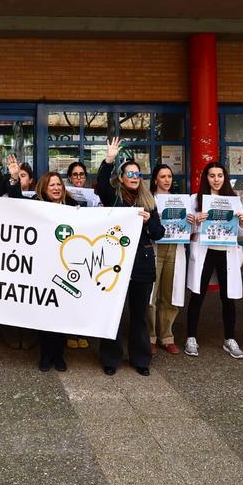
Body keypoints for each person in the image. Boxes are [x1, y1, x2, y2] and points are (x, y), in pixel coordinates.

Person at [96, 139, 165, 376]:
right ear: (122, 177)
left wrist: (148, 222)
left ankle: (141, 359)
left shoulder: (149, 202)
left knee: (139, 315)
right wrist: (109, 159)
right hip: (115, 261)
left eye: (137, 173)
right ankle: (110, 358)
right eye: (129, 173)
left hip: (142, 264)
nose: (134, 177)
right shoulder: (113, 197)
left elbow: (159, 233)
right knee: (112, 312)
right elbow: (101, 185)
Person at [6, 165, 79, 372]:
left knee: (62, 313)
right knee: (46, 312)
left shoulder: (74, 206)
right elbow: (14, 203)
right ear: (44, 188)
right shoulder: (36, 205)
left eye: (58, 184)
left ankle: (59, 354)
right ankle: (46, 354)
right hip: (42, 267)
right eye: (51, 185)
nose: (56, 188)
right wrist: (13, 178)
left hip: (65, 268)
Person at [184, 161, 243, 359]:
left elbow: (241, 234)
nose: (216, 179)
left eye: (220, 175)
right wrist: (195, 222)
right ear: (206, 178)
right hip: (205, 250)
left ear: (225, 178)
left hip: (226, 251)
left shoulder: (233, 199)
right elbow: (189, 231)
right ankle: (191, 337)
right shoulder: (196, 199)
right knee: (197, 295)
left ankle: (230, 339)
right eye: (212, 175)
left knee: (228, 297)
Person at [147, 163, 183, 355]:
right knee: (151, 295)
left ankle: (167, 336)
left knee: (169, 295)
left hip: (174, 248)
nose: (167, 180)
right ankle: (150, 336)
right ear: (155, 180)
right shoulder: (149, 199)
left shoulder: (180, 200)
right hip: (155, 248)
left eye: (169, 176)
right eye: (163, 177)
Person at [63, 160, 92, 351]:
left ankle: (82, 331)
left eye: (82, 174)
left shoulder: (94, 197)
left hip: (87, 250)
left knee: (84, 293)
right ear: (69, 177)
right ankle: (69, 331)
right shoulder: (62, 195)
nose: (79, 178)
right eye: (75, 175)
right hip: (68, 250)